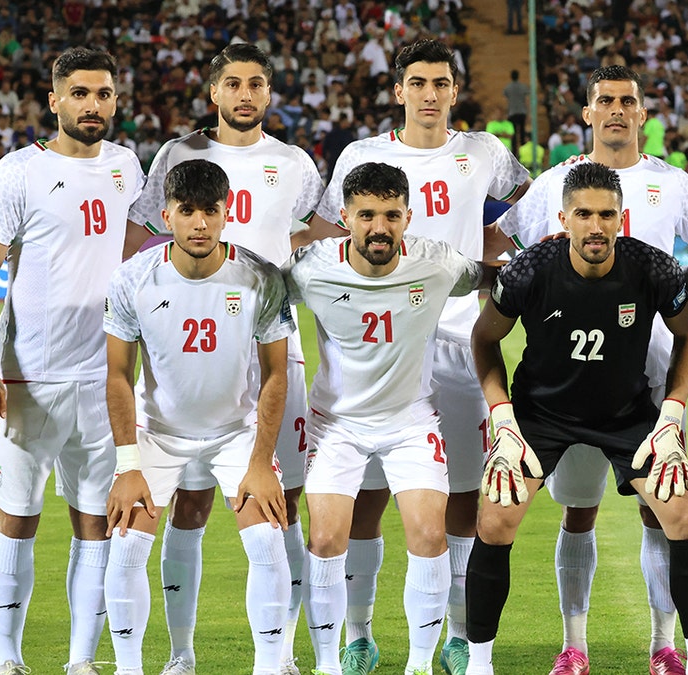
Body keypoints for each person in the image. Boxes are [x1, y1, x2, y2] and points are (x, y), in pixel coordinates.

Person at [493, 64, 688, 675]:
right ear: (587, 113)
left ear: (643, 114)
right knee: (579, 510)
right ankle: (575, 644)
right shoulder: (552, 185)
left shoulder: (673, 185)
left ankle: (664, 645)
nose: (618, 111)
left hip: (651, 375)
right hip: (571, 378)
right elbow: (511, 257)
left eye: (629, 101)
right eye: (606, 101)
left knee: (662, 508)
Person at [313, 38, 530, 675]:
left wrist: (498, 268)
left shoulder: (484, 153)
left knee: (458, 498)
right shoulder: (364, 155)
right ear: (399, 89)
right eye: (419, 83)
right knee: (366, 502)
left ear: (455, 90)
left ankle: (458, 635)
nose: (430, 94)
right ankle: (359, 633)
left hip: (462, 342)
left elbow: (509, 223)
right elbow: (334, 233)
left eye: (441, 83)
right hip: (383, 346)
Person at [124, 43, 332, 675]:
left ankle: (283, 655)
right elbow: (139, 235)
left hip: (274, 349)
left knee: (278, 501)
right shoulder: (177, 155)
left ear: (269, 94)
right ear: (213, 92)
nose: (246, 94)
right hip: (189, 355)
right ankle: (182, 655)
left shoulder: (294, 164)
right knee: (188, 506)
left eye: (257, 84)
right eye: (234, 84)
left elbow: (320, 233)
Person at [0, 47, 145, 675]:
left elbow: (148, 245)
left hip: (105, 379)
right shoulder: (18, 173)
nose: (92, 105)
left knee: (96, 524)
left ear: (115, 101)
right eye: (79, 93)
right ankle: (7, 661)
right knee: (18, 518)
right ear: (54, 100)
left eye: (103, 94)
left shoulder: (128, 168)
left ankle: (79, 662)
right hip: (28, 379)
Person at [284, 162, 485, 675]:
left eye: (391, 215)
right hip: (337, 424)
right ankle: (336, 659)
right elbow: (254, 292)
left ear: (408, 217)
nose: (380, 227)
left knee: (428, 534)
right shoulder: (309, 268)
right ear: (345, 218)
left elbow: (492, 279)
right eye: (367, 215)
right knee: (327, 539)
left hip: (410, 421)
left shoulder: (437, 263)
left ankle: (420, 664)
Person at [102, 159, 294, 675]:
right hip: (159, 435)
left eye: (211, 210)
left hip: (235, 433)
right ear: (166, 215)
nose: (200, 224)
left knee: (267, 538)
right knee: (123, 544)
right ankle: (138, 667)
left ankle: (270, 667)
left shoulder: (259, 277)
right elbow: (118, 374)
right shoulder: (133, 279)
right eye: (187, 212)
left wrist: (260, 460)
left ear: (227, 212)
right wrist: (127, 464)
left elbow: (277, 374)